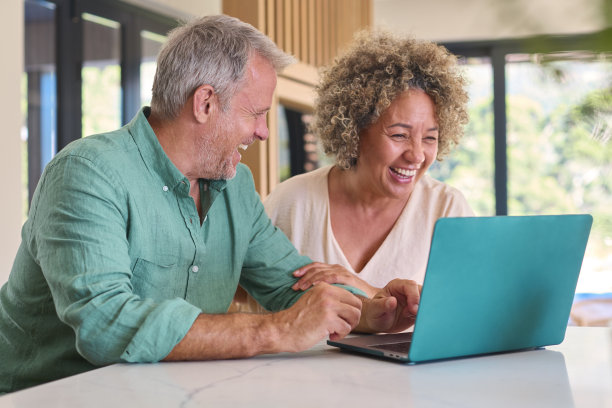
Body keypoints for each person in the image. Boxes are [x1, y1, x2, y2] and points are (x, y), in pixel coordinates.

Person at [0, 16, 421, 394]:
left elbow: (288, 285)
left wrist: (370, 314)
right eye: (256, 113)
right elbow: (105, 325)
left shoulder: (236, 186)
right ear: (205, 103)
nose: (263, 133)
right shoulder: (87, 173)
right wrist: (274, 331)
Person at [264, 31, 474, 298]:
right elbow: (242, 293)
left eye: (430, 138)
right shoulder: (292, 202)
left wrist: (362, 288)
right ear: (355, 129)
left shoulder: (447, 209)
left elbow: (466, 312)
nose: (417, 155)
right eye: (399, 135)